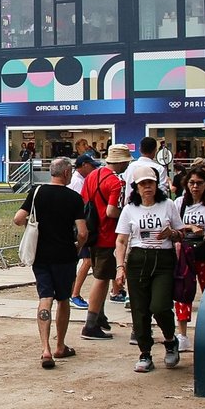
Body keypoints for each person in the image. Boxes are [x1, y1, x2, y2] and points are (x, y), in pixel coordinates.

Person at [13, 158, 87, 368]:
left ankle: (45, 348)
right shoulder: (74, 198)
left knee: (45, 297)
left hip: (41, 255)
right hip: (65, 255)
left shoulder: (37, 193)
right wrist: (78, 247)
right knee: (63, 299)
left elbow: (18, 219)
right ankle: (60, 345)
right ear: (65, 173)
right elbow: (82, 232)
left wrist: (32, 224)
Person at [112, 166, 184, 373]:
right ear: (136, 187)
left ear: (156, 184)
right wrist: (120, 267)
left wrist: (171, 233)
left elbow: (181, 233)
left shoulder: (168, 205)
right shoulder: (129, 209)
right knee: (139, 310)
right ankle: (145, 353)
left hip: (163, 259)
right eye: (143, 184)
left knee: (160, 306)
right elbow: (121, 240)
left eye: (150, 183)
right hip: (138, 259)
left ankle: (170, 340)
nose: (147, 187)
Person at [79, 144, 129, 339]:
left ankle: (99, 316)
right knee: (102, 278)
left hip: (92, 233)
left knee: (100, 275)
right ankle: (90, 324)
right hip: (108, 235)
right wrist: (126, 216)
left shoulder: (92, 176)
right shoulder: (116, 183)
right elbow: (111, 211)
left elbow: (84, 201)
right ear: (122, 161)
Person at [173, 165, 205, 352]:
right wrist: (189, 227)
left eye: (199, 183)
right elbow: (173, 226)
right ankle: (182, 334)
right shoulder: (180, 203)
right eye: (192, 183)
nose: (195, 187)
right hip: (186, 255)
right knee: (183, 292)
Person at [68, 154, 98, 310]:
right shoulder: (77, 182)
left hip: (78, 225)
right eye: (92, 166)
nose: (94, 169)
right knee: (86, 260)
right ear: (84, 165)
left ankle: (71, 292)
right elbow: (82, 206)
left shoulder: (80, 180)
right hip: (78, 226)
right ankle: (74, 294)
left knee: (83, 260)